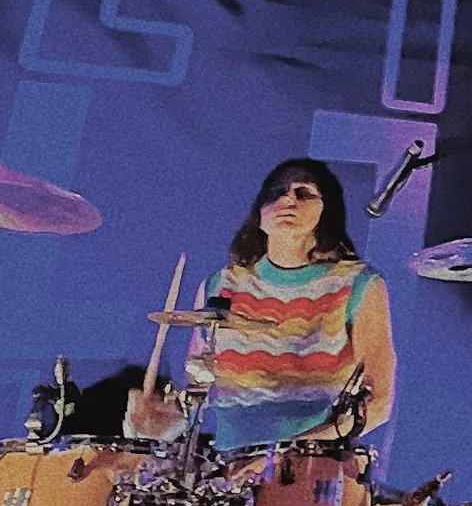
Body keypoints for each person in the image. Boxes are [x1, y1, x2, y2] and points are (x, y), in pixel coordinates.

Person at [129, 157, 395, 449]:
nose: (288, 199)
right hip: (228, 469)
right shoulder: (221, 285)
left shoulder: (358, 284)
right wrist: (160, 422)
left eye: (303, 193)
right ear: (259, 212)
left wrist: (286, 454)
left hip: (310, 467)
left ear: (326, 209)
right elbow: (199, 391)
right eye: (276, 193)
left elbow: (379, 401)